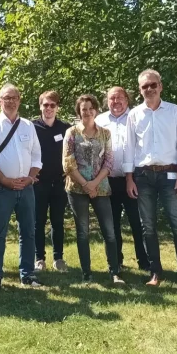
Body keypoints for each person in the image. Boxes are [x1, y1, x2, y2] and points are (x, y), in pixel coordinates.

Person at [124, 69, 177, 291]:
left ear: (160, 86)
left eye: (153, 85)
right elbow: (129, 149)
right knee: (148, 228)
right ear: (140, 90)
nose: (149, 89)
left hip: (170, 175)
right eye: (145, 86)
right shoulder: (134, 114)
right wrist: (129, 179)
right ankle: (155, 271)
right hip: (143, 176)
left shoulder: (173, 111)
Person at [0, 84, 43, 290]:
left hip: (26, 188)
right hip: (0, 189)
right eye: (7, 97)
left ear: (19, 100)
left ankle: (27, 274)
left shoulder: (27, 126)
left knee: (28, 232)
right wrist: (5, 180)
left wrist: (30, 178)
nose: (11, 101)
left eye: (14, 97)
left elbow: (36, 156)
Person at [63, 94, 123, 284]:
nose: (87, 112)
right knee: (83, 232)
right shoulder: (71, 133)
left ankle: (114, 272)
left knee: (109, 231)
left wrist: (94, 183)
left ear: (96, 110)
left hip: (101, 188)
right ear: (79, 112)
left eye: (90, 108)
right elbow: (68, 163)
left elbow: (109, 161)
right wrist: (86, 184)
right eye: (83, 109)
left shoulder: (105, 133)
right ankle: (86, 273)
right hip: (77, 188)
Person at [95, 87, 150, 271]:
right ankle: (116, 261)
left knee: (138, 222)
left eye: (120, 98)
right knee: (112, 224)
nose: (116, 101)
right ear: (107, 101)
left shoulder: (136, 117)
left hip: (134, 179)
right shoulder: (99, 120)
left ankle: (144, 261)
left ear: (127, 100)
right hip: (107, 180)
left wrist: (132, 178)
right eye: (112, 98)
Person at [32, 90, 71, 272]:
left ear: (57, 108)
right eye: (45, 105)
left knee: (57, 221)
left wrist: (69, 173)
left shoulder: (65, 129)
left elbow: (73, 154)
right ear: (40, 106)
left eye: (52, 105)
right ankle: (39, 258)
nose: (48, 108)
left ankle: (58, 258)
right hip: (38, 183)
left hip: (59, 183)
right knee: (38, 221)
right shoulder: (31, 127)